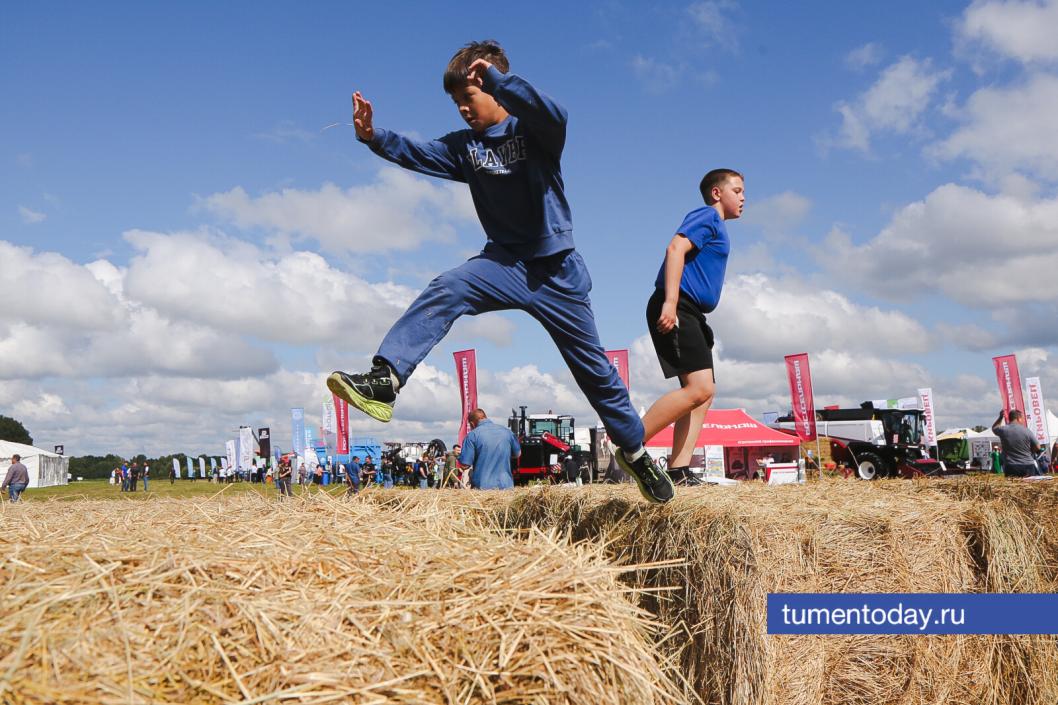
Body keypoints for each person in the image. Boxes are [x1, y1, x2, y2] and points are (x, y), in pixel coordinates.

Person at [327, 39, 672, 504]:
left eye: (468, 97)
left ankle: (633, 450)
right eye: (456, 103)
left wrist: (499, 82)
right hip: (503, 263)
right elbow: (416, 152)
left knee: (595, 371)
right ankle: (386, 380)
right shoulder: (464, 148)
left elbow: (555, 115)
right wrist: (373, 137)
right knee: (448, 287)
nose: (463, 109)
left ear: (495, 88)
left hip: (557, 271)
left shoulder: (534, 133)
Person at [636, 168, 744, 487]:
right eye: (737, 190)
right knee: (700, 389)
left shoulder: (717, 227)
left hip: (692, 310)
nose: (743, 198)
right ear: (716, 194)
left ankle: (679, 470)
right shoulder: (706, 216)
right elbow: (675, 249)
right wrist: (670, 302)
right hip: (678, 304)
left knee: (703, 394)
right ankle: (630, 443)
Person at [459, 409, 521, 490]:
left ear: (472, 424)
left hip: (483, 488)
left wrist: (458, 456)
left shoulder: (472, 436)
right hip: (506, 487)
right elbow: (517, 454)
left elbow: (465, 465)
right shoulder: (507, 432)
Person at [992, 410, 1041, 478]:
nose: (1023, 420)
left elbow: (994, 428)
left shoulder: (1003, 430)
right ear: (1018, 418)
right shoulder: (1027, 430)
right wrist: (1030, 452)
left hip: (1011, 466)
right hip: (1028, 464)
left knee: (1013, 487)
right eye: (1023, 418)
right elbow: (1038, 447)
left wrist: (1000, 417)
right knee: (1029, 487)